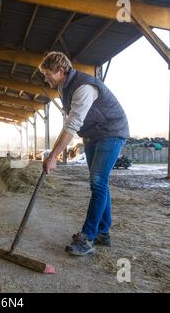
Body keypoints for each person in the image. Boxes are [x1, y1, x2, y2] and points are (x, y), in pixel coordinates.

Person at [40, 52, 129, 256]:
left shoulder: (84, 87)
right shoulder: (65, 87)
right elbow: (71, 122)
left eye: (47, 74)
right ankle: (103, 234)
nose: (46, 78)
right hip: (92, 135)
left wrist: (53, 156)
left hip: (111, 132)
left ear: (61, 70)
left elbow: (72, 125)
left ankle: (88, 237)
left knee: (98, 182)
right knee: (99, 183)